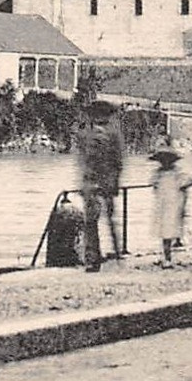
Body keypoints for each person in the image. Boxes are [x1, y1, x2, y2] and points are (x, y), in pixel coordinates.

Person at [76, 100, 124, 273]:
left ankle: (111, 253)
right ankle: (95, 257)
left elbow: (117, 161)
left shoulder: (110, 134)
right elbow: (83, 159)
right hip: (94, 181)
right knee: (94, 220)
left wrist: (114, 181)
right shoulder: (87, 133)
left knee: (103, 219)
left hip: (103, 180)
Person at [150, 145, 186, 268]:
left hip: (173, 203)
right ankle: (166, 256)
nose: (164, 162)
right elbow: (154, 186)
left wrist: (183, 203)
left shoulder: (177, 172)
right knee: (165, 231)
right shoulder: (158, 173)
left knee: (169, 231)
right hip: (163, 204)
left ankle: (168, 257)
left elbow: (183, 186)